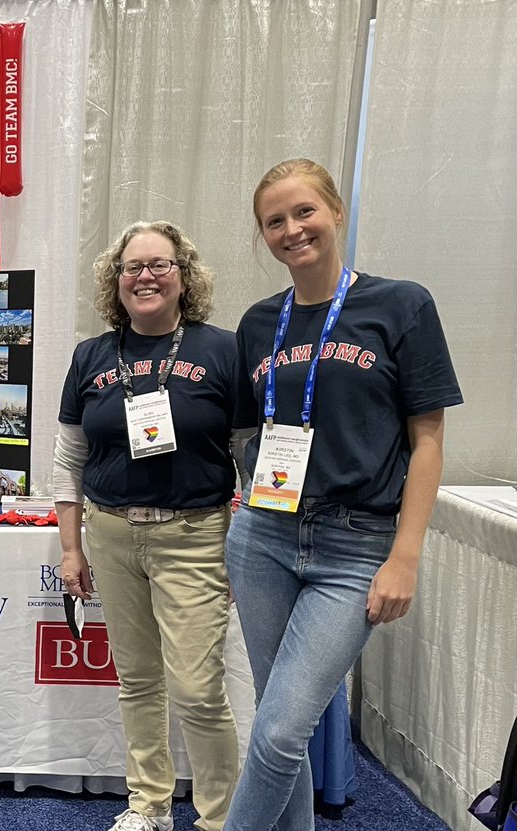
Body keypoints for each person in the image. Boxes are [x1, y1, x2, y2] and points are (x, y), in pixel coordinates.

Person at [222, 159, 462, 831]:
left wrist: (404, 557)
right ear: (263, 235)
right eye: (275, 221)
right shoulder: (259, 323)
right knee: (278, 728)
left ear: (335, 211)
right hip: (264, 537)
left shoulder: (401, 305)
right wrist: (242, 511)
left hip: (355, 547)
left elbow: (428, 439)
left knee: (277, 732)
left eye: (304, 211)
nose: (292, 229)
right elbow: (249, 431)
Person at [54, 220, 241, 831]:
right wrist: (71, 549)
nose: (146, 277)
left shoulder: (223, 350)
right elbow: (69, 461)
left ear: (184, 276)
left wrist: (249, 544)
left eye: (160, 265)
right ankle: (149, 806)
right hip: (111, 535)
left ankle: (219, 819)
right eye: (132, 267)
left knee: (197, 690)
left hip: (195, 536)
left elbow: (249, 453)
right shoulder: (91, 356)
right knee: (137, 681)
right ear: (117, 280)